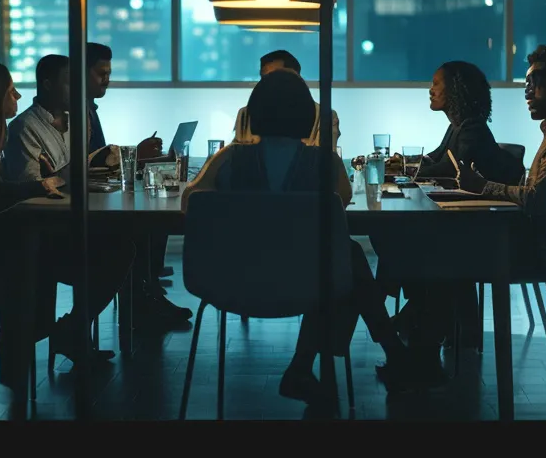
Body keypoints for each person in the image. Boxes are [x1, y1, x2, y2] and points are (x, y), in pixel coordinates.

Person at [186, 69, 444, 405]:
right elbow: (342, 204)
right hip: (306, 282)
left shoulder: (228, 159)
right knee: (344, 256)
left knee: (341, 257)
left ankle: (315, 366)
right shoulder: (324, 164)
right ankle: (359, 356)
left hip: (230, 281)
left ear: (254, 113)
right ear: (309, 116)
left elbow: (192, 202)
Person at [0, 60, 131, 363]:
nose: (18, 97)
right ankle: (68, 330)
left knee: (112, 247)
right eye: (10, 91)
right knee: (117, 250)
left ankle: (67, 330)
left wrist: (41, 183)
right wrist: (43, 184)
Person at [394, 60, 524, 350]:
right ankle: (420, 319)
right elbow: (436, 159)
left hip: (483, 233)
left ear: (455, 90)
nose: (430, 90)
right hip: (468, 225)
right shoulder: (458, 126)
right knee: (406, 244)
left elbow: (446, 170)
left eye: (436, 84)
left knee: (409, 245)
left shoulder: (471, 128)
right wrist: (411, 164)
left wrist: (406, 169)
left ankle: (419, 321)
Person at [451, 44, 546, 281]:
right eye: (525, 84)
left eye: (535, 82)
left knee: (449, 252)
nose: (527, 92)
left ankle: (426, 318)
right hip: (543, 243)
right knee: (449, 250)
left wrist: (483, 186)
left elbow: (538, 199)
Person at [82, 41, 192, 328]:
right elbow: (88, 166)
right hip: (87, 216)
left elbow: (96, 159)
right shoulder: (76, 114)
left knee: (152, 223)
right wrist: (137, 156)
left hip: (96, 200)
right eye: (100, 73)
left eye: (108, 72)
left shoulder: (89, 110)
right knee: (145, 226)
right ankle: (144, 299)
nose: (107, 79)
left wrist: (141, 158)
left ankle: (148, 293)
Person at [230, 50, 340, 148]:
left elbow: (327, 161)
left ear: (296, 78)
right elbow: (235, 158)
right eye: (265, 78)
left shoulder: (324, 117)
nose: (270, 83)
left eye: (277, 77)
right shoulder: (246, 114)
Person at [1, 54, 74, 182]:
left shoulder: (75, 121)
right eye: (70, 83)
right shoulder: (23, 127)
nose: (77, 90)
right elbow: (29, 183)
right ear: (48, 85)